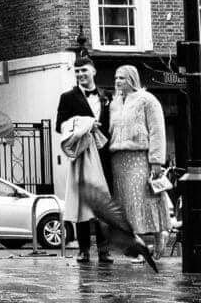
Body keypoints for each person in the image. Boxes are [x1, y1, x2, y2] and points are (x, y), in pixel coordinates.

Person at [56, 52, 113, 264]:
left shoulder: (106, 96)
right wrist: (86, 123)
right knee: (82, 202)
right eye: (77, 71)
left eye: (84, 70)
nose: (80, 74)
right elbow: (59, 125)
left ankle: (105, 251)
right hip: (82, 155)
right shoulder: (67, 97)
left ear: (94, 71)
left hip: (104, 156)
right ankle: (84, 250)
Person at [108, 65, 171, 256]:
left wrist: (156, 161)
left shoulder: (147, 100)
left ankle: (160, 234)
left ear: (132, 79)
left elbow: (157, 131)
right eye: (116, 78)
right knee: (125, 204)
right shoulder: (114, 103)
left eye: (122, 78)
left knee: (145, 199)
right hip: (118, 159)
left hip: (140, 158)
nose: (118, 81)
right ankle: (139, 247)